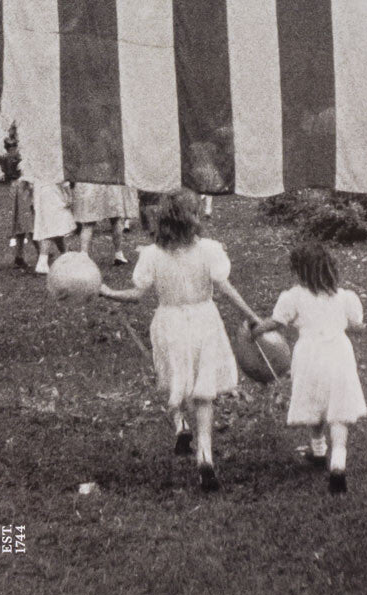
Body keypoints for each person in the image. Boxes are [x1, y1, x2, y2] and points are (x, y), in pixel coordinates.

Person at [100, 188, 258, 492]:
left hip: (169, 323)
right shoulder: (209, 250)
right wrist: (252, 317)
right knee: (203, 391)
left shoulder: (152, 255)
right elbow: (226, 289)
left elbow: (137, 295)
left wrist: (108, 293)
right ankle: (205, 455)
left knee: (175, 377)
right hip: (205, 321)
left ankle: (180, 424)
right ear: (194, 218)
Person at [250, 241, 366, 495]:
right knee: (339, 409)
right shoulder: (343, 297)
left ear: (300, 272)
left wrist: (255, 330)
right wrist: (349, 323)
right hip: (339, 353)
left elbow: (276, 322)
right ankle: (338, 462)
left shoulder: (294, 297)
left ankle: (318, 449)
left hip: (309, 355)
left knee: (315, 400)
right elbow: (357, 325)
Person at [71, 182, 130, 264]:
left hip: (90, 187)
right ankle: (119, 254)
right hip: (111, 187)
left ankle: (83, 255)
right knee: (116, 219)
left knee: (88, 223)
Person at [30, 180, 75, 276]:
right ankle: (42, 263)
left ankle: (66, 255)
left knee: (56, 227)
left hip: (40, 194)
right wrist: (69, 195)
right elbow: (61, 178)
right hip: (53, 195)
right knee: (52, 228)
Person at [10, 177, 37, 268]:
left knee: (23, 222)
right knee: (29, 222)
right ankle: (42, 253)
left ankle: (19, 256)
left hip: (21, 186)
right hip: (26, 188)